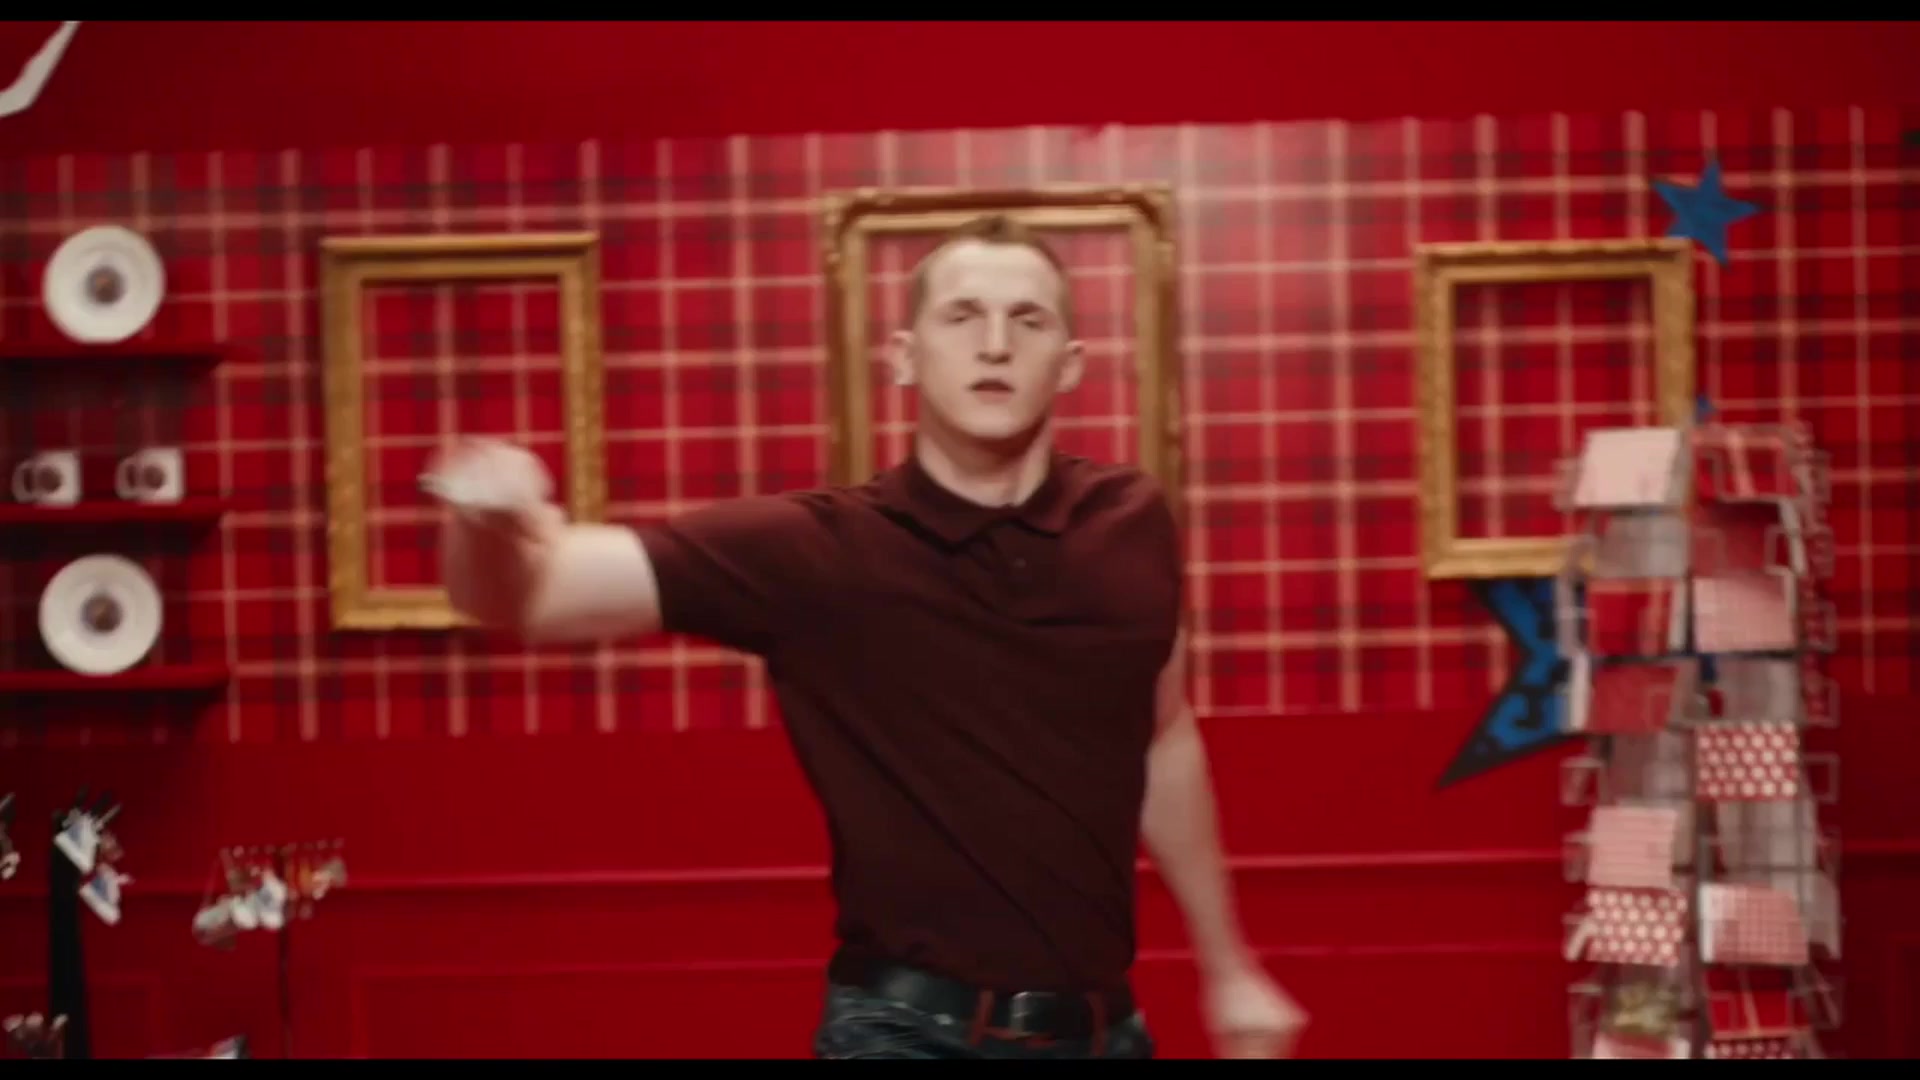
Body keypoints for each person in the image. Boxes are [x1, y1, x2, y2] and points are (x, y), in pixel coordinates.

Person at [432, 214, 1307, 1060]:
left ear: (1070, 363)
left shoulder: (1131, 522)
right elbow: (531, 597)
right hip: (906, 1032)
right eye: (961, 316)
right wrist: (484, 521)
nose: (994, 344)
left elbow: (1160, 734)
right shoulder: (818, 550)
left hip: (1101, 1030)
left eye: (1027, 320)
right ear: (904, 356)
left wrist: (1228, 966)